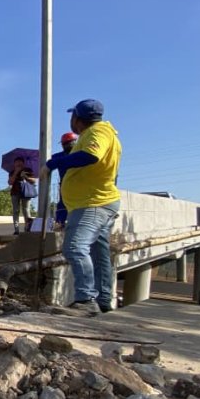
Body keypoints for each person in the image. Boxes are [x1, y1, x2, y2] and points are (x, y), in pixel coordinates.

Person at [40, 98, 122, 315]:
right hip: (97, 202)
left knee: (74, 248)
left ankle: (86, 300)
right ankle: (103, 300)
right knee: (99, 254)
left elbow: (91, 156)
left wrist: (53, 163)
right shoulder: (101, 133)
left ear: (77, 118)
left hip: (92, 203)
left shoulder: (98, 132)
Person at [50, 132, 79, 230]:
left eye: (67, 143)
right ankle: (60, 223)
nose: (65, 145)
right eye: (64, 143)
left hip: (79, 185)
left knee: (77, 206)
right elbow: (50, 161)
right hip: (65, 185)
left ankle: (70, 225)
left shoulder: (80, 155)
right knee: (63, 205)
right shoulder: (59, 156)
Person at [7, 156, 36, 234]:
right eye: (16, 162)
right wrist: (16, 172)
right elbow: (10, 182)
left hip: (26, 192)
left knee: (26, 210)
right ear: (14, 164)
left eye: (20, 162)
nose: (18, 163)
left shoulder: (28, 170)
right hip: (15, 192)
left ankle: (27, 229)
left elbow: (34, 181)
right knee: (15, 211)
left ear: (23, 163)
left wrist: (25, 177)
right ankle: (16, 230)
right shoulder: (12, 172)